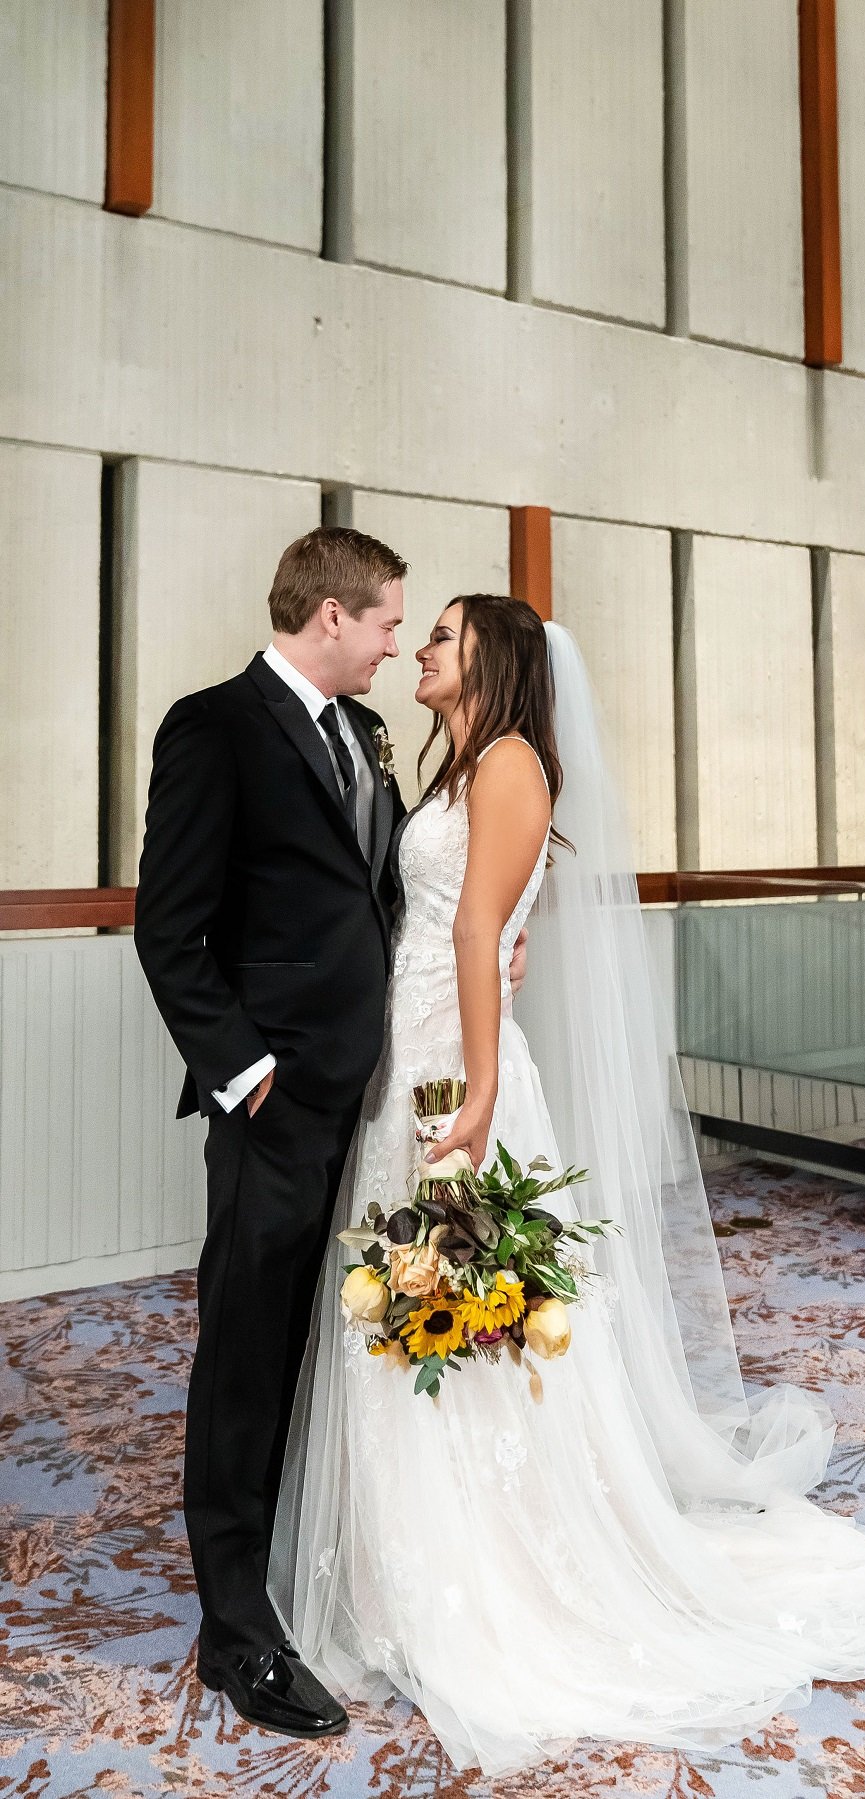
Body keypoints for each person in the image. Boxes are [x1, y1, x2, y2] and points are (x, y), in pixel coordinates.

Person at [268, 594, 865, 1776]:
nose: (424, 650)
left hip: (457, 1071)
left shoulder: (506, 764)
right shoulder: (463, 766)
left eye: (442, 634)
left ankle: (494, 1562)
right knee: (408, 1302)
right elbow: (467, 921)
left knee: (451, 1303)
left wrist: (479, 1090)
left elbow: (475, 934)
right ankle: (412, 1558)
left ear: (490, 658)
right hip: (420, 1050)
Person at [137, 527, 479, 1737]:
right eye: (390, 620)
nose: (399, 639)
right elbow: (168, 928)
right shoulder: (214, 724)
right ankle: (236, 1632)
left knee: (339, 1344)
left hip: (376, 1088)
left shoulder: (364, 737)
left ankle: (301, 1567)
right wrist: (247, 1075)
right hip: (278, 1102)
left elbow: (374, 893)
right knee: (245, 1346)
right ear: (330, 616)